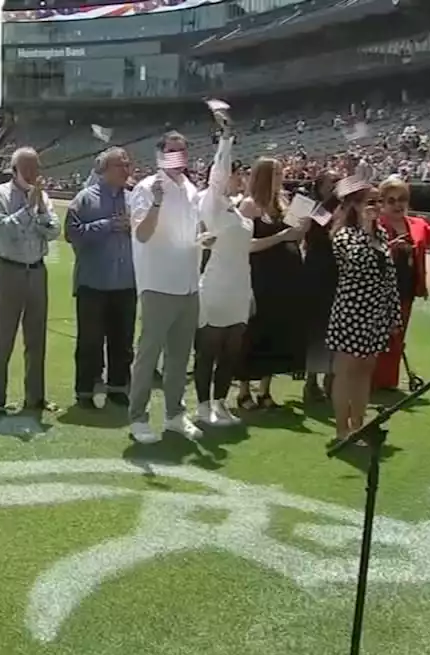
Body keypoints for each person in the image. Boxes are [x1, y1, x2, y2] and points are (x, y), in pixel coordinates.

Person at [126, 131, 203, 444]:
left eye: (182, 151)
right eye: (172, 151)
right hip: (158, 284)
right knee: (148, 355)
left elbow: (191, 232)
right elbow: (142, 234)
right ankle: (138, 417)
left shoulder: (191, 189)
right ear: (160, 155)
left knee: (179, 358)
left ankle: (174, 415)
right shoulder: (147, 188)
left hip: (188, 284)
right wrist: (157, 203)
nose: (178, 157)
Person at [0, 146, 59, 415]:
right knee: (4, 337)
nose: (33, 174)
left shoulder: (43, 197)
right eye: (27, 169)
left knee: (36, 338)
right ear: (14, 170)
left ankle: (35, 398)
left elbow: (53, 231)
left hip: (37, 271)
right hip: (9, 271)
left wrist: (37, 208)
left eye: (36, 168)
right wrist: (29, 210)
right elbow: (4, 233)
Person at [327, 178, 401, 443]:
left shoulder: (380, 233)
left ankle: (359, 426)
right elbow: (355, 264)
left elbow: (389, 277)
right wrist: (365, 229)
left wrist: (393, 316)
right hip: (351, 313)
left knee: (365, 372)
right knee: (346, 371)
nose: (377, 207)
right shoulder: (344, 235)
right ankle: (341, 431)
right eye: (371, 202)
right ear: (354, 206)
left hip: (375, 315)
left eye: (379, 202)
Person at [235, 158, 310, 410]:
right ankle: (244, 389)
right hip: (260, 275)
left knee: (276, 331)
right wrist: (281, 237)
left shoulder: (283, 203)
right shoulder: (249, 205)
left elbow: (294, 236)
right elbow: (246, 245)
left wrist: (302, 227)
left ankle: (265, 390)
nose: (281, 176)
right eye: (276, 173)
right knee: (254, 331)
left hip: (285, 277)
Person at [373, 178, 430, 390]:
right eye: (391, 200)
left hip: (406, 289)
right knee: (376, 337)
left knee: (397, 337)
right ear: (382, 202)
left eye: (402, 199)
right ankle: (369, 381)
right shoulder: (374, 224)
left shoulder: (417, 224)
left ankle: (387, 382)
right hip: (376, 290)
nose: (397, 205)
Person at [65, 147, 136, 409]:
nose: (126, 169)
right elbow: (72, 233)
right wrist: (107, 225)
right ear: (104, 170)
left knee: (123, 341)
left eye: (128, 164)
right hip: (93, 283)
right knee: (90, 342)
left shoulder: (134, 199)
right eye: (120, 165)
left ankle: (118, 387)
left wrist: (134, 229)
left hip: (126, 282)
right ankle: (85, 390)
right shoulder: (85, 199)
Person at [193, 125, 251, 427]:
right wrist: (226, 141)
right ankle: (202, 404)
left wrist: (250, 293)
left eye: (240, 173)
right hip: (215, 288)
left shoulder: (238, 209)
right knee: (208, 350)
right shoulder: (212, 203)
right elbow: (217, 174)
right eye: (234, 172)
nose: (238, 176)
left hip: (240, 290)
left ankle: (220, 403)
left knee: (230, 353)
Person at [301, 170, 341, 402]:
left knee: (334, 326)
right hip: (316, 270)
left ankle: (331, 377)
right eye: (330, 183)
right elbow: (318, 223)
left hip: (336, 270)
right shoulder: (309, 205)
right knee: (317, 326)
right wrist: (336, 197)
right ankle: (311, 381)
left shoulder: (342, 207)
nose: (334, 186)